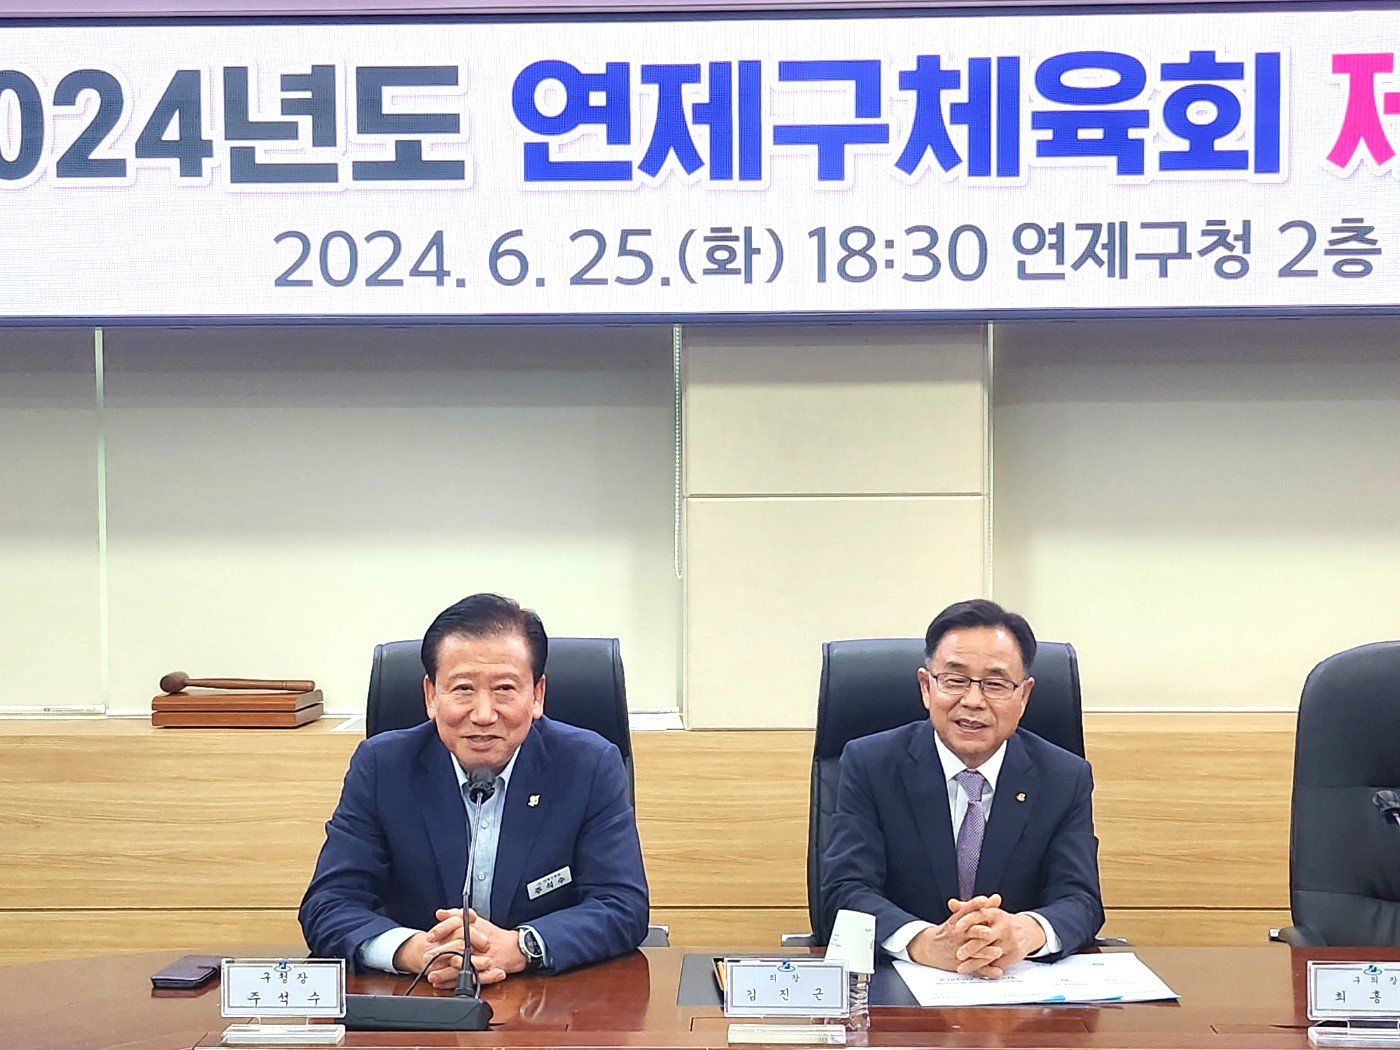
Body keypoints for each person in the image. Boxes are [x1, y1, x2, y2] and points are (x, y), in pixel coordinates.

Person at [299, 593, 649, 987]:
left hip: (550, 998)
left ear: (537, 695)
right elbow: (329, 904)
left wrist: (521, 946)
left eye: (504, 689)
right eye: (463, 689)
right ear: (431, 696)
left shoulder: (589, 765)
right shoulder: (382, 766)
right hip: (421, 997)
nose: (483, 714)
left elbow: (622, 906)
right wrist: (415, 951)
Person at [821, 598, 1103, 977]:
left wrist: (1023, 933)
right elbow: (845, 890)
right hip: (899, 990)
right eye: (955, 681)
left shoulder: (1065, 777)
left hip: (1018, 989)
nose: (973, 701)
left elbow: (1080, 899)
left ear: (1024, 696)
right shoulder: (871, 764)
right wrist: (925, 943)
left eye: (995, 684)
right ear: (926, 687)